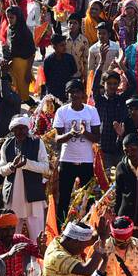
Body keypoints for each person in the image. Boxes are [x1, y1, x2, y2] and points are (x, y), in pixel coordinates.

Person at [52, 79, 102, 215]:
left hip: (86, 161)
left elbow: (97, 137)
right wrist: (71, 133)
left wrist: (85, 132)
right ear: (67, 95)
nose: (75, 95)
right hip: (67, 161)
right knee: (64, 198)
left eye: (78, 92)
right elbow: (57, 139)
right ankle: (61, 228)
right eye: (71, 92)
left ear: (83, 94)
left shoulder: (91, 111)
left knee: (88, 198)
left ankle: (88, 228)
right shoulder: (62, 112)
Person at [0, 115, 50, 238]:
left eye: (23, 128)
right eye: (17, 129)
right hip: (13, 196)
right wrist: (12, 166)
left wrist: (27, 163)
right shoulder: (7, 144)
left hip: (33, 196)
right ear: (12, 130)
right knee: (12, 236)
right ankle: (13, 257)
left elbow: (45, 167)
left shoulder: (37, 142)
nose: (20, 132)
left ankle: (37, 258)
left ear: (27, 129)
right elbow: (1, 170)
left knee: (37, 236)